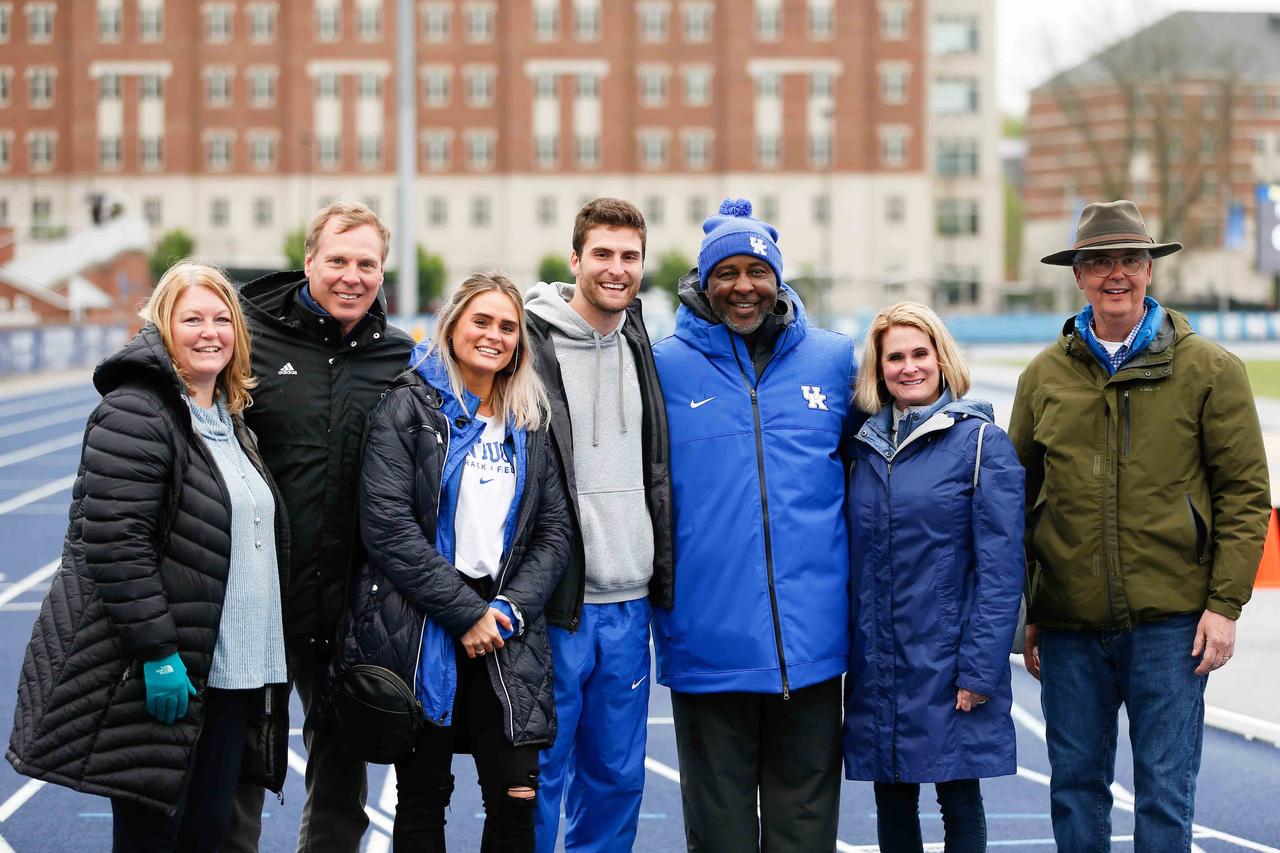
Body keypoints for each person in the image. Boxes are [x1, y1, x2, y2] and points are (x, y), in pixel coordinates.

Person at [1009, 200, 1271, 853]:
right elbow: (1018, 500)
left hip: (1173, 627)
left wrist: (1224, 604)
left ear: (1150, 268)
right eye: (1099, 261)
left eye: (1129, 259)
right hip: (1069, 628)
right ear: (1078, 274)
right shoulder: (1042, 377)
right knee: (1074, 790)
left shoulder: (1211, 370)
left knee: (1163, 795)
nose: (1115, 274)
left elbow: (1245, 494)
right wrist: (1029, 610)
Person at [8, 262, 290, 853]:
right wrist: (158, 653)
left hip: (230, 671)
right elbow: (114, 541)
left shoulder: (229, 420)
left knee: (205, 838)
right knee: (154, 840)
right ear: (164, 327)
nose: (209, 332)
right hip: (171, 671)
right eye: (192, 319)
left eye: (221, 319)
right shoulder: (137, 410)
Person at [336, 271, 571, 852]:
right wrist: (466, 614)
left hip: (506, 630)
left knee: (516, 801)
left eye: (508, 327)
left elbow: (554, 531)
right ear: (452, 325)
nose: (495, 336)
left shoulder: (528, 417)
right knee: (422, 800)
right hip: (422, 627)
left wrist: (507, 612)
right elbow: (388, 529)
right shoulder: (407, 407)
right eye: (482, 321)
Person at [651, 198, 857, 853]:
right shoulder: (663, 365)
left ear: (778, 279)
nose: (743, 286)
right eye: (727, 272)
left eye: (757, 271)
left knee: (804, 831)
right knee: (721, 835)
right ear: (703, 283)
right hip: (708, 641)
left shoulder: (832, 360)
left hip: (814, 643)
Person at [225, 201, 416, 853]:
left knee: (342, 775)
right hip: (256, 596)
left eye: (367, 263)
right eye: (337, 260)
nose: (351, 275)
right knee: (242, 766)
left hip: (347, 605)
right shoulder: (246, 337)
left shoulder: (396, 353)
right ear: (308, 260)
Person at [843, 301, 1025, 853]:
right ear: (879, 370)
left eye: (919, 353)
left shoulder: (981, 445)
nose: (908, 367)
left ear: (942, 360)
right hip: (879, 657)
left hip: (950, 659)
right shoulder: (861, 449)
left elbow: (1001, 573)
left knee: (958, 795)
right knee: (891, 798)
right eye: (893, 357)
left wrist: (980, 670)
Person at [523, 198, 673, 853]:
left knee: (614, 778)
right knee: (537, 776)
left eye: (630, 256)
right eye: (603, 254)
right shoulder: (527, 342)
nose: (617, 268)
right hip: (554, 604)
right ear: (575, 258)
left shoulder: (641, 339)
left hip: (629, 602)